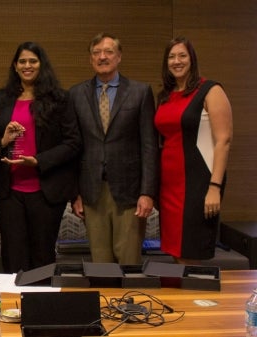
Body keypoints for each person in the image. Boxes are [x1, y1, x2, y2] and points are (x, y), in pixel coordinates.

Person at [0, 42, 81, 273]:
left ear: (42, 65)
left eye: (33, 61)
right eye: (22, 61)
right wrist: (3, 141)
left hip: (46, 191)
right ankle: (14, 307)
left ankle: (41, 306)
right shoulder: (2, 98)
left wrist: (38, 161)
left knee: (42, 256)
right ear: (15, 66)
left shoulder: (60, 98)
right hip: (9, 192)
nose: (27, 65)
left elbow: (73, 143)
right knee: (13, 256)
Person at [70, 33, 159, 265]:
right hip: (92, 192)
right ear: (90, 59)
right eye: (96, 53)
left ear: (119, 57)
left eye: (108, 51)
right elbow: (73, 148)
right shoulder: (76, 94)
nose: (102, 57)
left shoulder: (140, 92)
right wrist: (75, 194)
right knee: (100, 264)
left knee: (129, 261)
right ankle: (104, 302)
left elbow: (150, 146)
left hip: (129, 193)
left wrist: (147, 192)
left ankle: (128, 303)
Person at [154, 37, 233, 265]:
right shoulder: (166, 96)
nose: (176, 61)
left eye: (182, 55)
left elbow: (223, 141)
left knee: (192, 252)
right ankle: (180, 300)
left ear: (192, 59)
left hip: (198, 185)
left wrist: (214, 187)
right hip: (169, 186)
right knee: (175, 252)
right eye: (171, 56)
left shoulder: (210, 90)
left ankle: (196, 300)